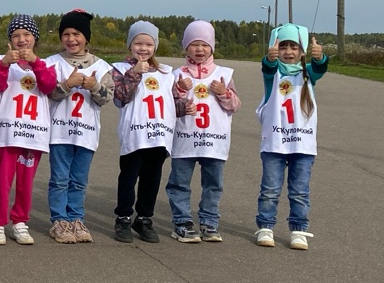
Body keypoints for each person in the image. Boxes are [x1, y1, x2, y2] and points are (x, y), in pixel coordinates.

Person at [0, 14, 58, 246]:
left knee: (26, 183)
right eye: (16, 35)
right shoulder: (0, 61)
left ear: (34, 39)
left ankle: (20, 222)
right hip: (7, 134)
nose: (21, 39)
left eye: (27, 35)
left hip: (32, 134)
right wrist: (6, 63)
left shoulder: (45, 64)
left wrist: (35, 62)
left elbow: (48, 86)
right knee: (2, 181)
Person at [166, 20, 240, 244]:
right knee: (179, 182)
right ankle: (182, 222)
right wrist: (179, 93)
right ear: (186, 47)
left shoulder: (223, 75)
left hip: (214, 140)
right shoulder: (176, 74)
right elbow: (167, 106)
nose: (199, 50)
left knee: (213, 183)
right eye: (194, 44)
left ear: (212, 47)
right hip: (185, 139)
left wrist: (223, 92)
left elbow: (235, 105)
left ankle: (209, 221)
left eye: (205, 45)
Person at [254, 24, 327, 250]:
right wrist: (270, 58)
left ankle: (299, 230)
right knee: (270, 189)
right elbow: (268, 67)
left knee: (299, 191)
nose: (288, 51)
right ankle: (265, 226)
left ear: (302, 50)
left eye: (293, 47)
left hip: (302, 145)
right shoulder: (273, 74)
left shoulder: (308, 75)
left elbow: (319, 68)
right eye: (282, 46)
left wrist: (320, 57)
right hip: (275, 143)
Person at [44, 9, 113, 244]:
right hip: (60, 131)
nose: (71, 39)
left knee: (79, 180)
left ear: (86, 37)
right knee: (60, 179)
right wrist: (66, 84)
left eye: (76, 34)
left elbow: (106, 98)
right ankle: (59, 220)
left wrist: (94, 86)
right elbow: (49, 93)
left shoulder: (102, 67)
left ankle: (76, 218)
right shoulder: (52, 63)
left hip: (86, 132)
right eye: (66, 34)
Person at [110, 21, 177, 244]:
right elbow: (121, 96)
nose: (143, 48)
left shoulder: (166, 72)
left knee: (152, 178)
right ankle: (123, 217)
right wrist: (134, 74)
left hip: (159, 135)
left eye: (148, 44)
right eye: (138, 43)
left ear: (155, 46)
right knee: (129, 177)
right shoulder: (120, 69)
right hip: (135, 135)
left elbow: (173, 103)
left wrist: (186, 104)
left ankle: (145, 218)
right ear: (130, 45)